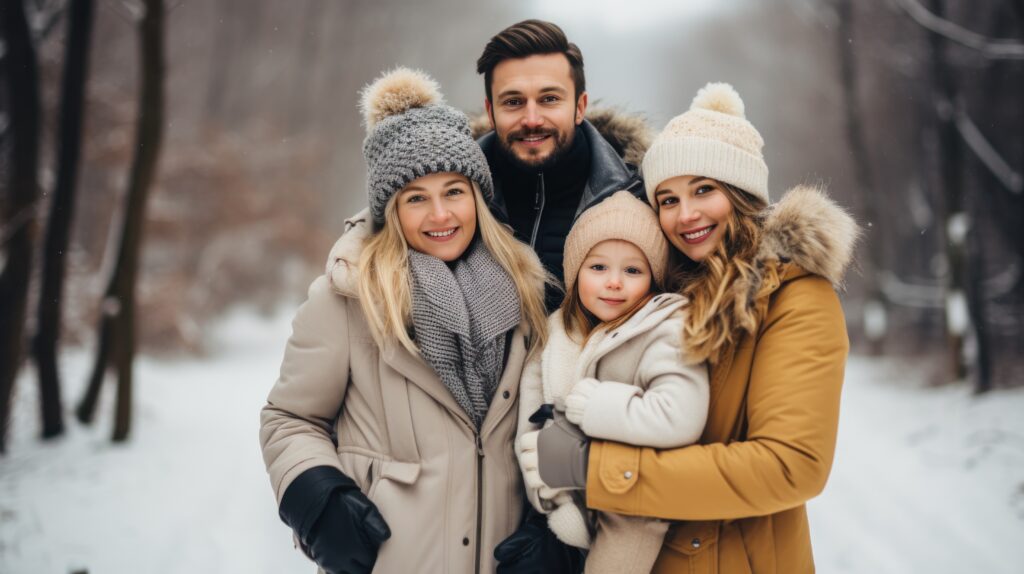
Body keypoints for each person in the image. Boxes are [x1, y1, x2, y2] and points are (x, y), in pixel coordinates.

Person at [524, 82, 859, 573]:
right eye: (668, 199)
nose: (687, 215)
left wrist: (594, 470)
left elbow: (790, 466)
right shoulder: (659, 298)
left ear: (741, 194)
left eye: (704, 190)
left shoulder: (794, 298)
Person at [259, 68, 549, 574]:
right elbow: (289, 419)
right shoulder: (348, 298)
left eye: (454, 191)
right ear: (392, 209)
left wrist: (554, 534)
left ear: (477, 196)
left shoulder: (526, 293)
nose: (440, 214)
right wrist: (320, 501)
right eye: (416, 198)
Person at [515, 191, 710, 574]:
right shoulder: (558, 334)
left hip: (634, 515)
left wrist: (594, 407)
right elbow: (531, 424)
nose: (614, 283)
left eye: (633, 271)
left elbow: (680, 415)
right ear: (575, 273)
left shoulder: (664, 329)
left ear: (654, 278)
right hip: (565, 509)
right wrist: (547, 491)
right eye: (599, 267)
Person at [475, 19, 648, 309]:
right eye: (513, 102)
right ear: (491, 112)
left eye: (549, 99)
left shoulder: (638, 199)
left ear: (580, 107)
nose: (531, 119)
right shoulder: (450, 199)